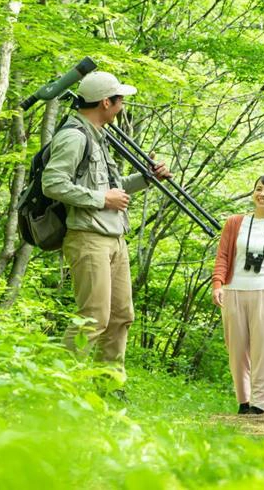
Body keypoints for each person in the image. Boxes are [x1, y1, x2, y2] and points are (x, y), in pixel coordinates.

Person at [42, 71, 171, 369]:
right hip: (88, 238)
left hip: (115, 237)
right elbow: (53, 183)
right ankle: (58, 385)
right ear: (105, 102)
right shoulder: (74, 137)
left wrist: (147, 178)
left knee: (121, 315)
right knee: (93, 317)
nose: (122, 106)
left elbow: (113, 187)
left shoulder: (98, 137)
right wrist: (102, 200)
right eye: (120, 100)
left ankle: (109, 384)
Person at [211, 175, 264, 415]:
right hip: (234, 290)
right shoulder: (235, 222)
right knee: (236, 350)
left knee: (263, 350)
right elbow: (223, 256)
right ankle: (244, 401)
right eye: (258, 189)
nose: (263, 194)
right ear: (253, 193)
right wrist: (217, 283)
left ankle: (260, 404)